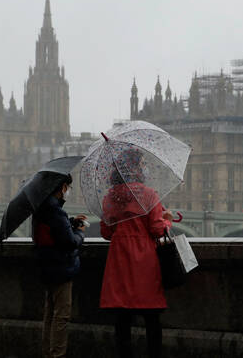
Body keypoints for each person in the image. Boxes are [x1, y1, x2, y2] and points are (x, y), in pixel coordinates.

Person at [99, 153, 174, 358]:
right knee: (151, 316)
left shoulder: (108, 198)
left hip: (119, 259)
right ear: (136, 169)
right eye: (141, 165)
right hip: (144, 259)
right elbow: (157, 230)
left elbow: (106, 233)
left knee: (122, 318)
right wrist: (167, 220)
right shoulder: (149, 195)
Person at [32, 174, 87, 358]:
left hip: (46, 268)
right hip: (60, 269)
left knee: (49, 316)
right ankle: (57, 354)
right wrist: (79, 233)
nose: (68, 191)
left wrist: (70, 222)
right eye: (68, 187)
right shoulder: (55, 211)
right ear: (63, 187)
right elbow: (70, 242)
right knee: (61, 317)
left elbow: (55, 231)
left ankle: (48, 353)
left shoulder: (41, 207)